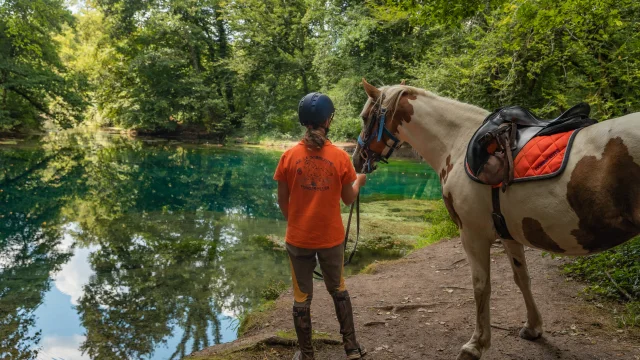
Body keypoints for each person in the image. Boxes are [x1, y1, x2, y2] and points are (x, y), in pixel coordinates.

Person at [273, 92, 368, 360]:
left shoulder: (289, 157)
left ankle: (307, 354)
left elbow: (283, 201)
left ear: (305, 122)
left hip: (298, 238)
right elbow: (349, 199)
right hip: (331, 239)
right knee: (337, 287)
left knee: (302, 296)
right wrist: (359, 181)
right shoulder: (339, 158)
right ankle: (351, 348)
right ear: (328, 120)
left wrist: (298, 225)